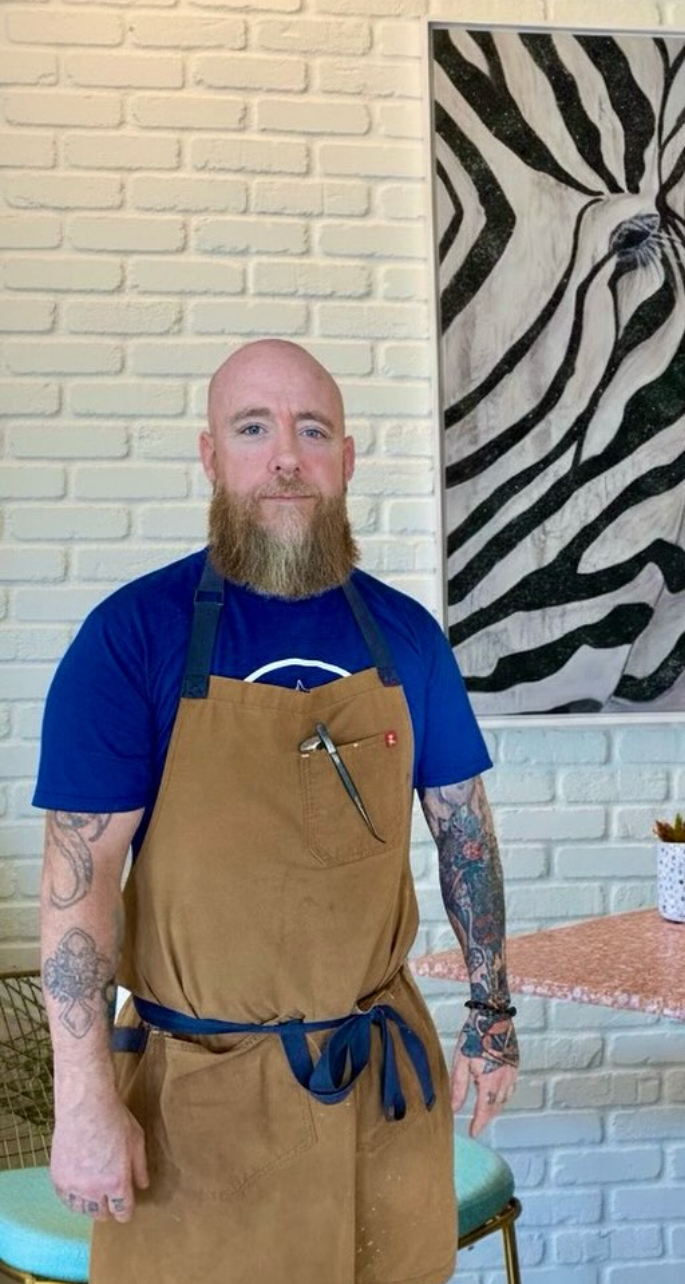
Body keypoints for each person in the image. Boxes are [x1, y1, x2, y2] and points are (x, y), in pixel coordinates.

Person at [33, 339, 518, 1284]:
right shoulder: (132, 638)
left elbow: (466, 833)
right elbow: (80, 882)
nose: (285, 456)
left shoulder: (408, 639)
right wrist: (83, 1098)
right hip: (199, 1105)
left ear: (346, 456)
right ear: (212, 456)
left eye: (312, 430)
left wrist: (491, 1018)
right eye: (253, 429)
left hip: (380, 1088)